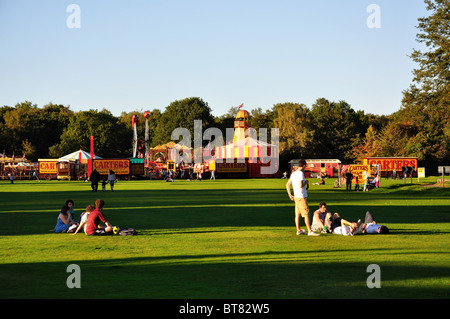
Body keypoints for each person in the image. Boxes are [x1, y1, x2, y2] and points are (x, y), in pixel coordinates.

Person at [286, 160, 320, 236]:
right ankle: (310, 231)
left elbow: (287, 184)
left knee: (297, 215)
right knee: (306, 214)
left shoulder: (293, 173)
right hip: (301, 196)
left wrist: (290, 195)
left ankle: (298, 230)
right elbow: (301, 185)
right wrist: (306, 182)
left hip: (296, 197)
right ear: (304, 165)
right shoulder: (301, 173)